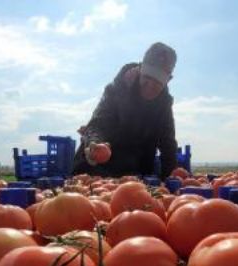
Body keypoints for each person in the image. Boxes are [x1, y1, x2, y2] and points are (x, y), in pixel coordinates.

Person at [71, 42, 179, 179]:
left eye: (157, 83)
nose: (150, 86)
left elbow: (168, 144)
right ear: (140, 70)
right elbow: (99, 122)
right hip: (97, 172)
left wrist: (172, 180)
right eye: (147, 78)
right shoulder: (119, 88)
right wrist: (96, 144)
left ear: (168, 80)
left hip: (134, 179)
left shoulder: (164, 104)